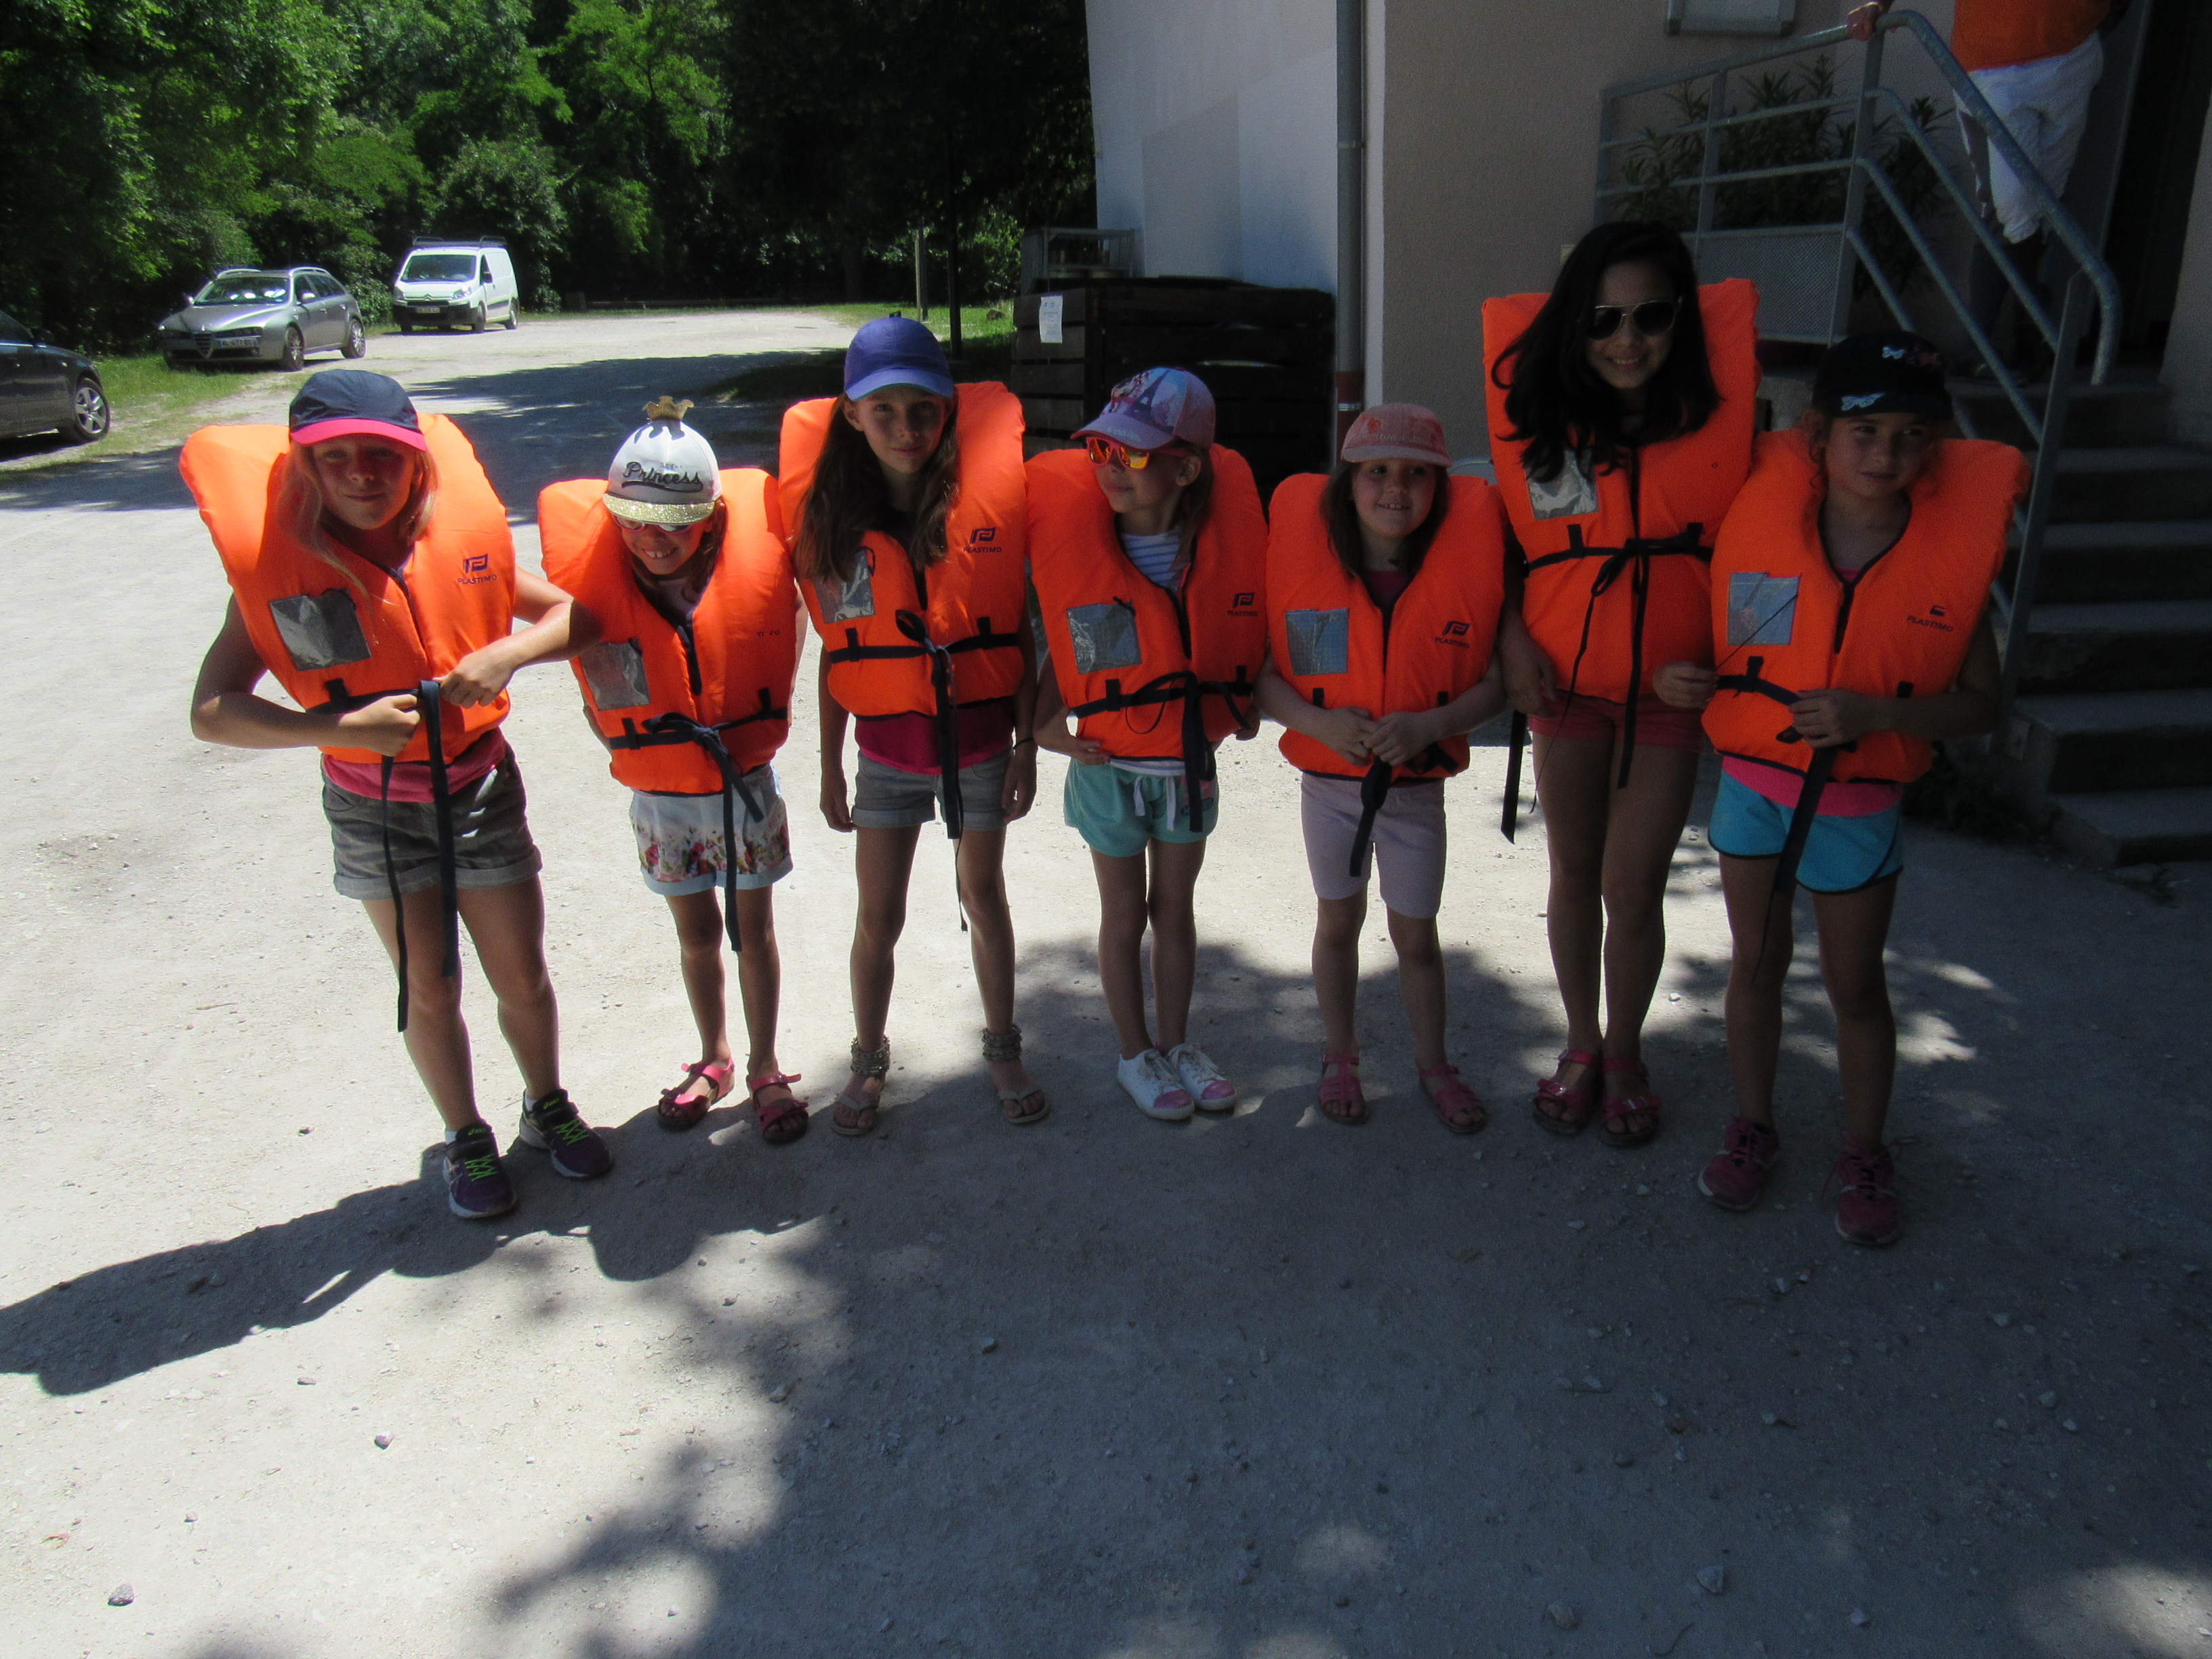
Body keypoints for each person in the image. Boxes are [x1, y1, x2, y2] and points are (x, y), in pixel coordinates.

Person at [184, 369, 611, 1221]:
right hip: (371, 808)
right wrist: (334, 729)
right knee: (429, 986)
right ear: (305, 467)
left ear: (416, 460)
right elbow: (211, 712)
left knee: (522, 974)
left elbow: (579, 616)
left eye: (382, 454)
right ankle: (465, 1134)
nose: (360, 473)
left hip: (480, 788)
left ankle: (546, 1105)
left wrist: (506, 654)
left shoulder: (461, 544)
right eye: (334, 456)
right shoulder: (273, 569)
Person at [1654, 333, 2026, 1246]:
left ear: (1935, 446)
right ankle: (1753, 1124)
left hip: (1857, 803)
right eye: (1866, 431)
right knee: (1755, 964)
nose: (1887, 453)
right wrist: (1679, 679)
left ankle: (1865, 1151)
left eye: (1911, 435)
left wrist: (1878, 714)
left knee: (1855, 986)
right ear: (1818, 437)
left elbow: (1983, 704)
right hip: (1753, 787)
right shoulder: (1761, 520)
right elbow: (1710, 644)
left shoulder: (1948, 558)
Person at [1483, 222, 1760, 1149]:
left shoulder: (1725, 433)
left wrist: (1720, 664)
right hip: (1564, 690)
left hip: (1664, 704)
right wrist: (1512, 642)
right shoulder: (1544, 427)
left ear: (1681, 320)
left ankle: (1628, 1053)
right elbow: (1510, 557)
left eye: (1650, 316)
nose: (1627, 339)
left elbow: (1767, 571)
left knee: (1633, 888)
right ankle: (1581, 1043)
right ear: (1576, 326)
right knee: (1573, 875)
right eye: (1603, 319)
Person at [781, 317, 1047, 1131]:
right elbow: (841, 651)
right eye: (885, 411)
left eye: (924, 410)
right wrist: (828, 766)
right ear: (852, 416)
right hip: (887, 756)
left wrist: (1028, 747)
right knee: (879, 916)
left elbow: (1021, 633)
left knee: (984, 896)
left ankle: (1003, 1048)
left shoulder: (983, 507)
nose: (906, 428)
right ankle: (868, 1059)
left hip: (979, 744)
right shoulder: (836, 523)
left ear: (948, 413)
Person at [538, 398, 807, 1143]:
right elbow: (590, 686)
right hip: (660, 798)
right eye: (634, 522)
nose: (654, 539)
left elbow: (792, 621)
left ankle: (764, 1063)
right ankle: (714, 1056)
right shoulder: (599, 584)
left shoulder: (746, 563)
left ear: (713, 519)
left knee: (753, 933)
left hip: (742, 788)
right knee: (696, 936)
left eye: (676, 524)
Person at [1254, 405, 1509, 1131]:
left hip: (1416, 794)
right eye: (1377, 472)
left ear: (1439, 488)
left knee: (1417, 937)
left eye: (1417, 474)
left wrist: (1430, 725)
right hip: (1330, 788)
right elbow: (1266, 681)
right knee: (1338, 923)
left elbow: (1496, 686)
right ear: (1349, 482)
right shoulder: (1307, 567)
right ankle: (1340, 1055)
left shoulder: (1459, 572)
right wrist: (1322, 725)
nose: (1396, 489)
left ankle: (1434, 1065)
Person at [1027, 369, 1268, 1121]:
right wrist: (1042, 730)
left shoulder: (1215, 549)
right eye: (1101, 449)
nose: (1109, 468)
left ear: (1186, 469)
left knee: (1175, 909)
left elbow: (1246, 640)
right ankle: (1136, 1054)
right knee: (1124, 914)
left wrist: (1245, 701)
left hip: (1186, 764)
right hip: (1108, 769)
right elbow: (1068, 644)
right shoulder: (1087, 543)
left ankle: (1176, 1043)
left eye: (1130, 455)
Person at [1850, 0, 2119, 375]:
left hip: (2075, 57)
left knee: (2043, 207)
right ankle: (2020, 329)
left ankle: (1996, 344)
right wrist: (1878, 5)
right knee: (2013, 205)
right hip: (1993, 66)